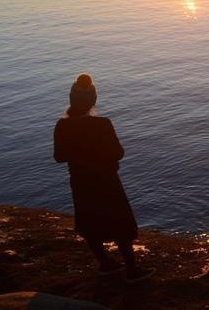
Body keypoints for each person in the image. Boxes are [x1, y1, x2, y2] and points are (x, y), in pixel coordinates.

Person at [53, 74, 154, 283]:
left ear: (72, 99)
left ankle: (105, 263)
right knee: (120, 222)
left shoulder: (62, 126)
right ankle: (132, 269)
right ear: (93, 100)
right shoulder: (102, 124)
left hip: (80, 182)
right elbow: (118, 153)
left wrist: (79, 156)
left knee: (90, 221)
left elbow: (59, 157)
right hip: (106, 180)